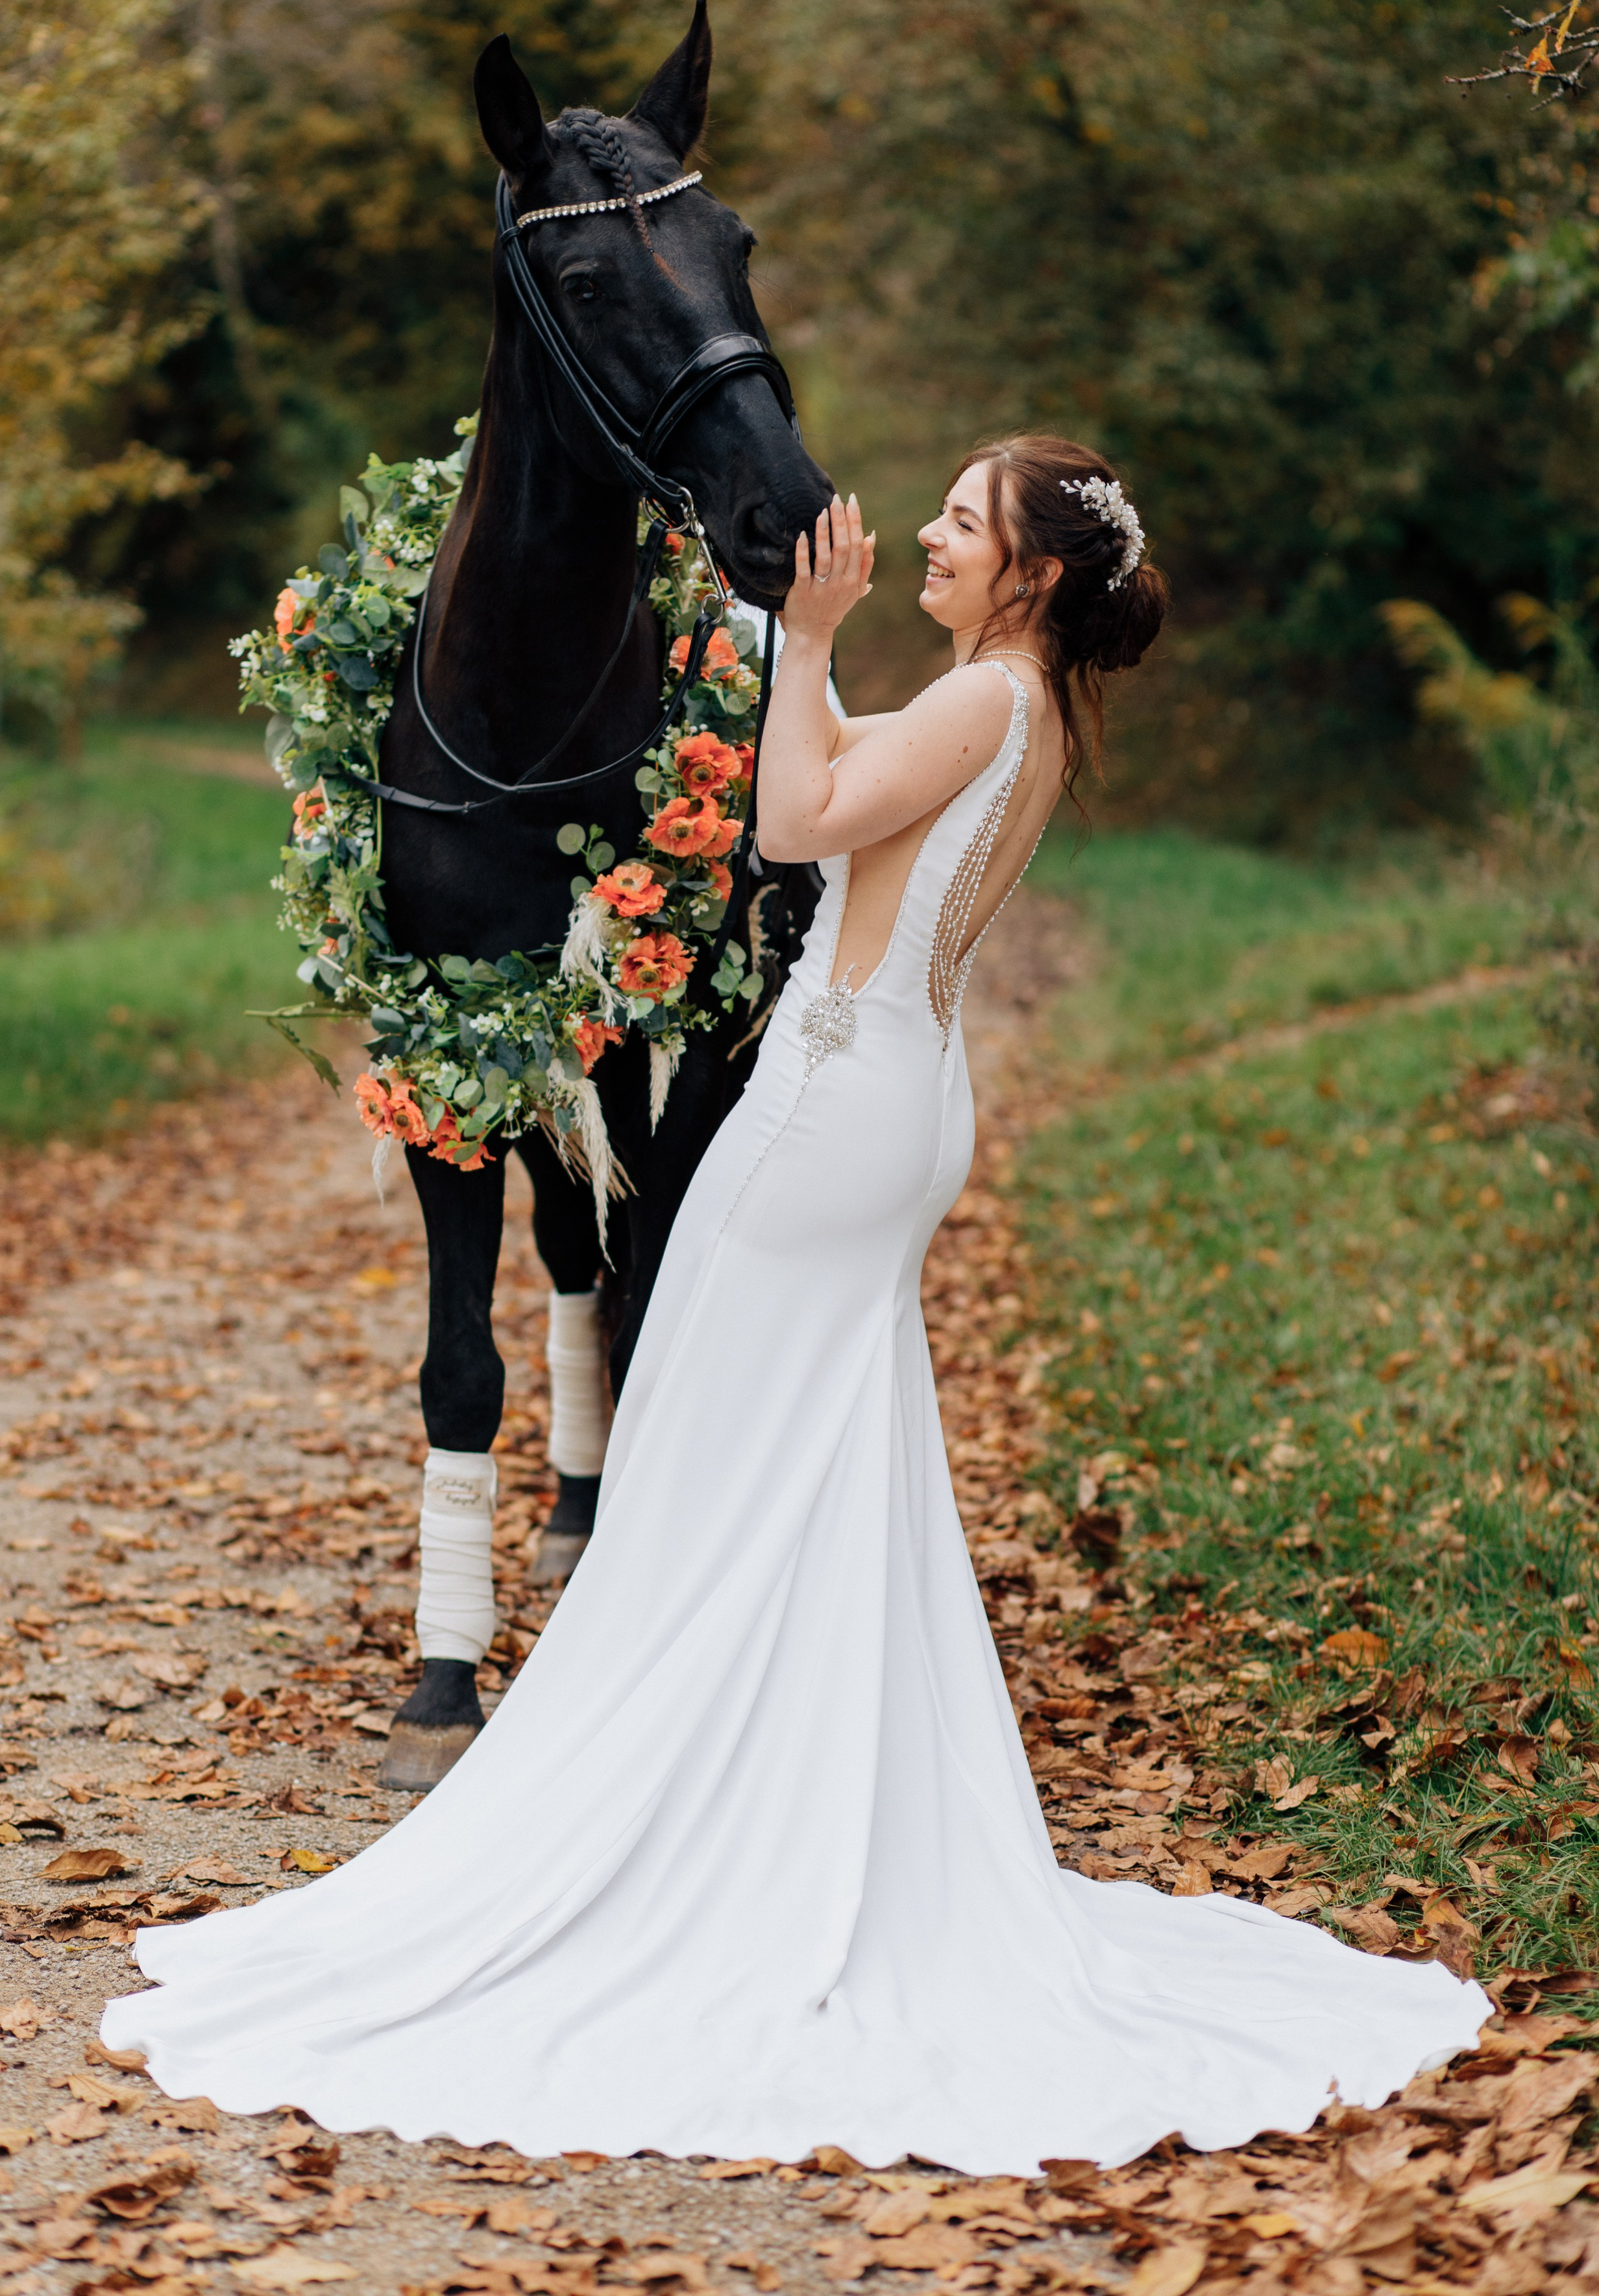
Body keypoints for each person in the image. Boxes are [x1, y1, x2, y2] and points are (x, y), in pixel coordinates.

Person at [102, 433, 1487, 2173]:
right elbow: (836, 808)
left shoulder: (988, 700)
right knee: (826, 1464)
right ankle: (804, 1797)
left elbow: (792, 817)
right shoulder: (1025, 709)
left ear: (1034, 576)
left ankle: (689, 1824)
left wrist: (808, 641)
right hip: (902, 1094)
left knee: (696, 1460)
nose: (928, 529)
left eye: (964, 520)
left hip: (834, 1103)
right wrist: (789, 659)